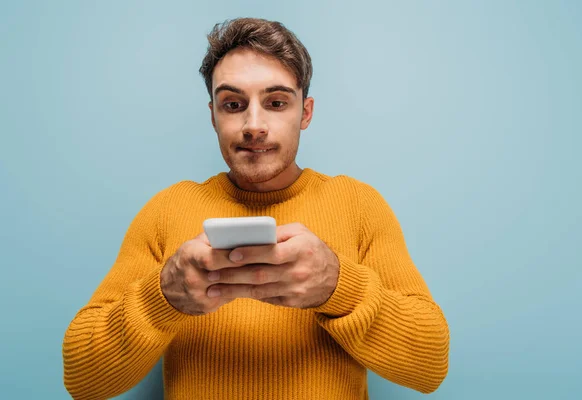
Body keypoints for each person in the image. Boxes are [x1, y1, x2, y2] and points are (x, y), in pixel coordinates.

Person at [62, 17, 449, 400]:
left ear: (306, 112)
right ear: (213, 115)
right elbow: (83, 381)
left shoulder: (359, 204)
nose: (254, 125)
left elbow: (430, 366)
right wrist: (161, 297)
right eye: (233, 104)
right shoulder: (166, 210)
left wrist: (338, 288)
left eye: (276, 102)